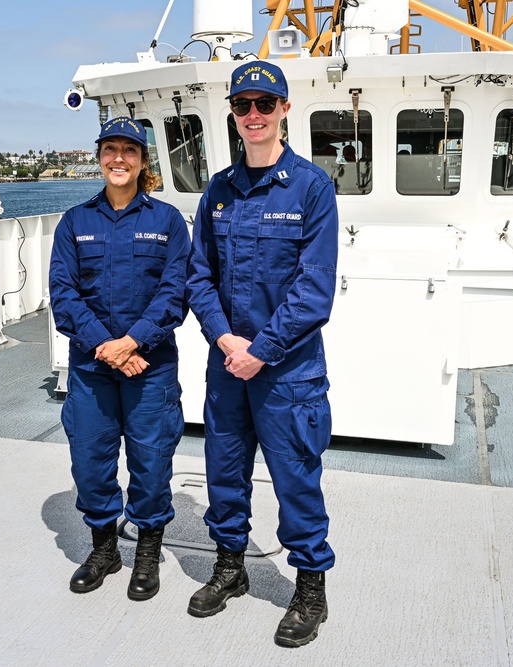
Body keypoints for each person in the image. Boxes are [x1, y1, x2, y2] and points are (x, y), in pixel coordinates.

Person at [185, 61, 339, 648]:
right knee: (224, 472)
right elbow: (200, 277)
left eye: (264, 104)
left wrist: (262, 350)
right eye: (243, 105)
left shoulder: (310, 188)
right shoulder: (218, 192)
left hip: (288, 370)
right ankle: (231, 568)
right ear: (233, 113)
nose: (253, 115)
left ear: (283, 111)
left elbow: (314, 287)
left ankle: (309, 587)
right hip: (228, 366)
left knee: (296, 475)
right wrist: (227, 341)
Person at [49, 116, 190, 601]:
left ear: (143, 160)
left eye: (129, 151)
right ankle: (105, 548)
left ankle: (147, 552)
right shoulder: (75, 222)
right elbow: (64, 295)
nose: (119, 159)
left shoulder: (167, 221)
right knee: (90, 461)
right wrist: (108, 348)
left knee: (151, 462)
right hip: (93, 370)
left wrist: (132, 343)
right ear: (99, 157)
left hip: (149, 367)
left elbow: (174, 294)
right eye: (110, 149)